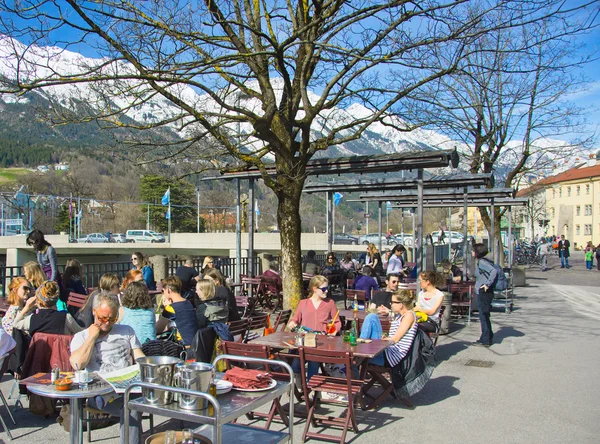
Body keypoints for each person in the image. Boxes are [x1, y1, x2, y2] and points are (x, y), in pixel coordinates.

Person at [70, 292, 145, 444]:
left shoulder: (126, 330)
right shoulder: (82, 337)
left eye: (112, 319)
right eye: (103, 318)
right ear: (93, 311)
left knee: (138, 401)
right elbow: (78, 364)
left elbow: (140, 357)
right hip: (100, 393)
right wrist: (92, 337)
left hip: (128, 387)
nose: (107, 323)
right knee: (131, 407)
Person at [288, 275, 341, 379]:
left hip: (322, 342)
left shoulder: (330, 303)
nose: (326, 291)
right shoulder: (303, 303)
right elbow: (295, 319)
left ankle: (311, 389)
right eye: (324, 289)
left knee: (313, 361)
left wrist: (335, 330)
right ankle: (300, 388)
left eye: (327, 288)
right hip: (305, 341)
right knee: (295, 366)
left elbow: (337, 322)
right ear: (314, 289)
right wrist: (292, 323)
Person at [12, 281, 83, 336]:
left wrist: (26, 307)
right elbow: (81, 333)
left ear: (38, 301)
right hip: (61, 354)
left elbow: (16, 323)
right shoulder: (66, 317)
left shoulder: (32, 319)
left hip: (39, 354)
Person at [155, 276, 198, 347]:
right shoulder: (188, 303)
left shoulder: (171, 308)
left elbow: (158, 329)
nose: (163, 294)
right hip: (195, 343)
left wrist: (167, 307)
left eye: (163, 291)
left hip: (184, 347)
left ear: (168, 290)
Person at [383, 289, 418, 370]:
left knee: (372, 318)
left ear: (401, 304)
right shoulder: (400, 316)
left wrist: (383, 340)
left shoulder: (409, 316)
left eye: (393, 302)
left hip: (394, 356)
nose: (391, 304)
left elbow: (395, 339)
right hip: (390, 350)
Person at [472, 243, 497, 347]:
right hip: (483, 291)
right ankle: (486, 336)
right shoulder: (482, 261)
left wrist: (487, 284)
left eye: (473, 250)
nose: (472, 252)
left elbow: (493, 271)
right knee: (484, 315)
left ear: (478, 252)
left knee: (483, 315)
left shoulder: (482, 262)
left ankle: (486, 339)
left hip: (483, 292)